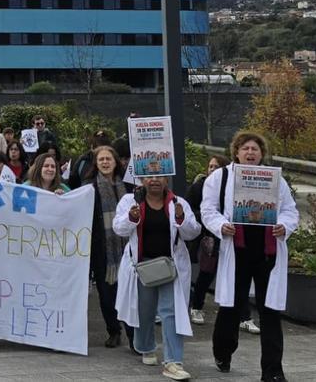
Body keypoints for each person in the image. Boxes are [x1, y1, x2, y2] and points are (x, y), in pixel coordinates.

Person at [202, 132, 299, 382]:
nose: (250, 153)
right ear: (236, 152)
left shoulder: (275, 179)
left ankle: (273, 371)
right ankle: (223, 352)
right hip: (237, 252)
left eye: (255, 149)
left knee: (270, 311)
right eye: (245, 148)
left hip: (267, 254)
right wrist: (221, 225)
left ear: (261, 154)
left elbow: (290, 210)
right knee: (231, 307)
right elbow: (208, 209)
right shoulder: (221, 177)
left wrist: (284, 226)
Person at [113, 175, 201, 380]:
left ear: (167, 179)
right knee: (145, 310)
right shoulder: (130, 201)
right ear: (141, 179)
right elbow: (119, 228)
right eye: (149, 176)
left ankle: (173, 362)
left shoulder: (178, 202)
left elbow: (193, 233)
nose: (154, 180)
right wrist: (131, 217)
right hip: (142, 267)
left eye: (159, 176)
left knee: (171, 312)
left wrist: (181, 218)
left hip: (170, 267)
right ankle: (145, 346)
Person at [81, 145, 132, 349]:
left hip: (128, 248)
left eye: (108, 159)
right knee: (107, 294)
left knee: (129, 293)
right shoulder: (89, 187)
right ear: (96, 163)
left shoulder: (128, 186)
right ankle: (113, 330)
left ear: (115, 162)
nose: (105, 162)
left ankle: (133, 335)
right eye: (101, 159)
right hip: (102, 250)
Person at [186, 154, 225, 325]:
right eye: (210, 166)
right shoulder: (198, 187)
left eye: (217, 167)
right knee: (206, 272)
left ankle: (244, 316)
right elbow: (189, 209)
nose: (213, 170)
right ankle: (196, 306)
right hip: (207, 237)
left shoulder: (229, 188)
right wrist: (207, 217)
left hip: (226, 236)